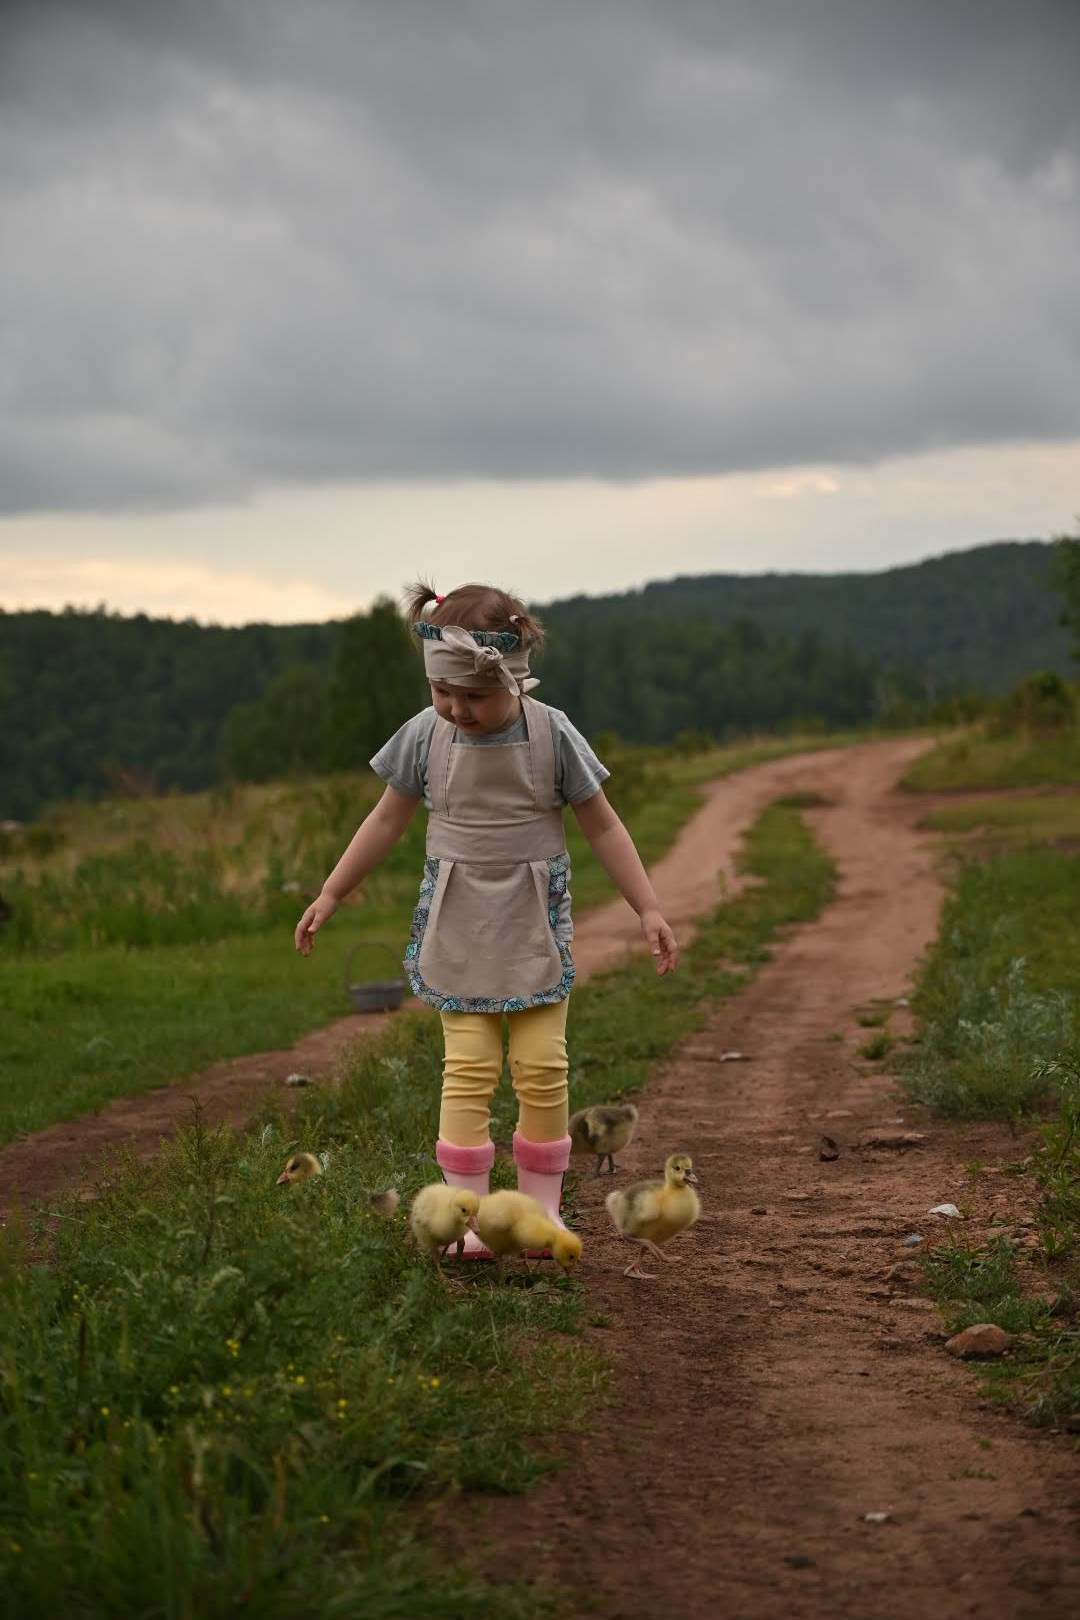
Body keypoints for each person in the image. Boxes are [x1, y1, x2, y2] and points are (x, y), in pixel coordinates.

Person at [294, 580, 678, 1252]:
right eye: (442, 693)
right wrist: (331, 891)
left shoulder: (552, 734)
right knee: (467, 1069)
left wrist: (646, 906)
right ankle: (465, 1221)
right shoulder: (425, 737)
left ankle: (538, 1214)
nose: (456, 709)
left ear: (515, 678)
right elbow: (386, 819)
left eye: (474, 696)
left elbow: (604, 826)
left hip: (531, 927)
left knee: (541, 1067)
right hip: (459, 928)